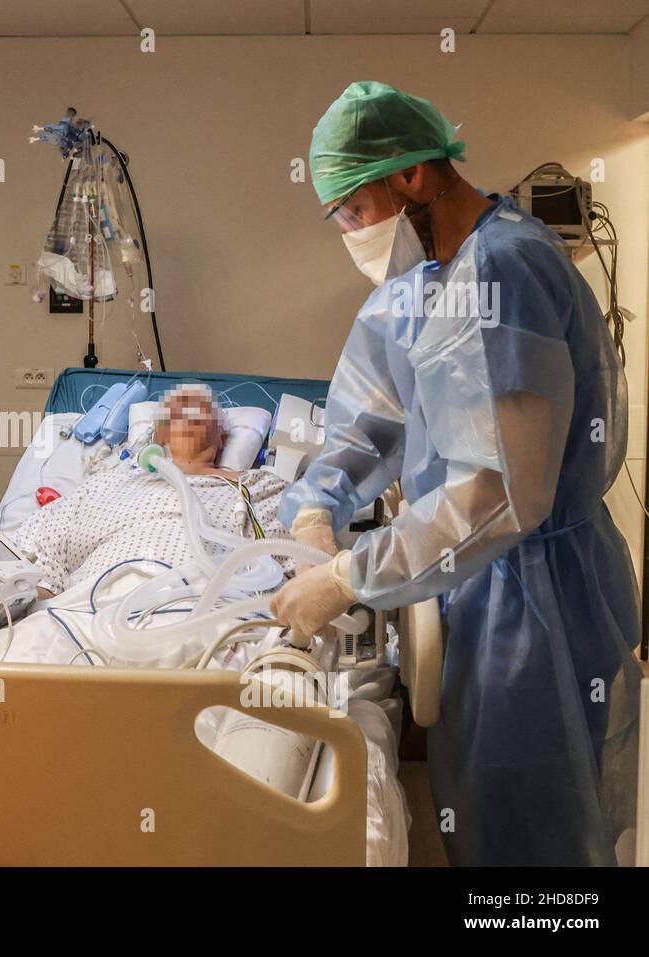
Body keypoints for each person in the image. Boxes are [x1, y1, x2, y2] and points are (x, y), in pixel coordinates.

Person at [271, 81, 641, 865]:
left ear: (411, 175)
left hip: (538, 601)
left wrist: (347, 576)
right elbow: (369, 421)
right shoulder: (423, 284)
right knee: (484, 820)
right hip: (474, 592)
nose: (350, 234)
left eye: (353, 210)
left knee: (538, 834)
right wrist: (315, 506)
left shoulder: (507, 270)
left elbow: (500, 494)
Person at [15, 385, 293, 599]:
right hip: (92, 613)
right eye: (175, 412)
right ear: (157, 436)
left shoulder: (261, 488)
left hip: (219, 618)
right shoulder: (105, 485)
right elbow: (42, 565)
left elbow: (302, 568)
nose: (188, 412)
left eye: (201, 410)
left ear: (222, 436)